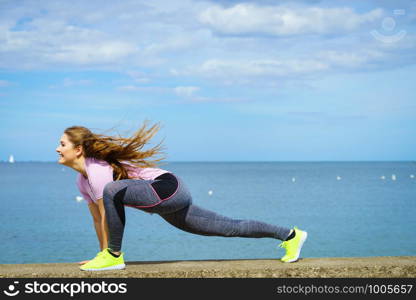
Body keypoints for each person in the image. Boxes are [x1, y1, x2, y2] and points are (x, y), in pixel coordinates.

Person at [56, 122, 308, 271]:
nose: (57, 148)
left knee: (112, 191)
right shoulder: (82, 181)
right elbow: (98, 220)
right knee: (227, 227)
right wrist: (100, 254)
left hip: (168, 187)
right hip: (164, 202)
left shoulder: (98, 172)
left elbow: (106, 212)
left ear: (78, 150)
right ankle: (290, 235)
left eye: (62, 144)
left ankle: (114, 256)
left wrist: (109, 255)